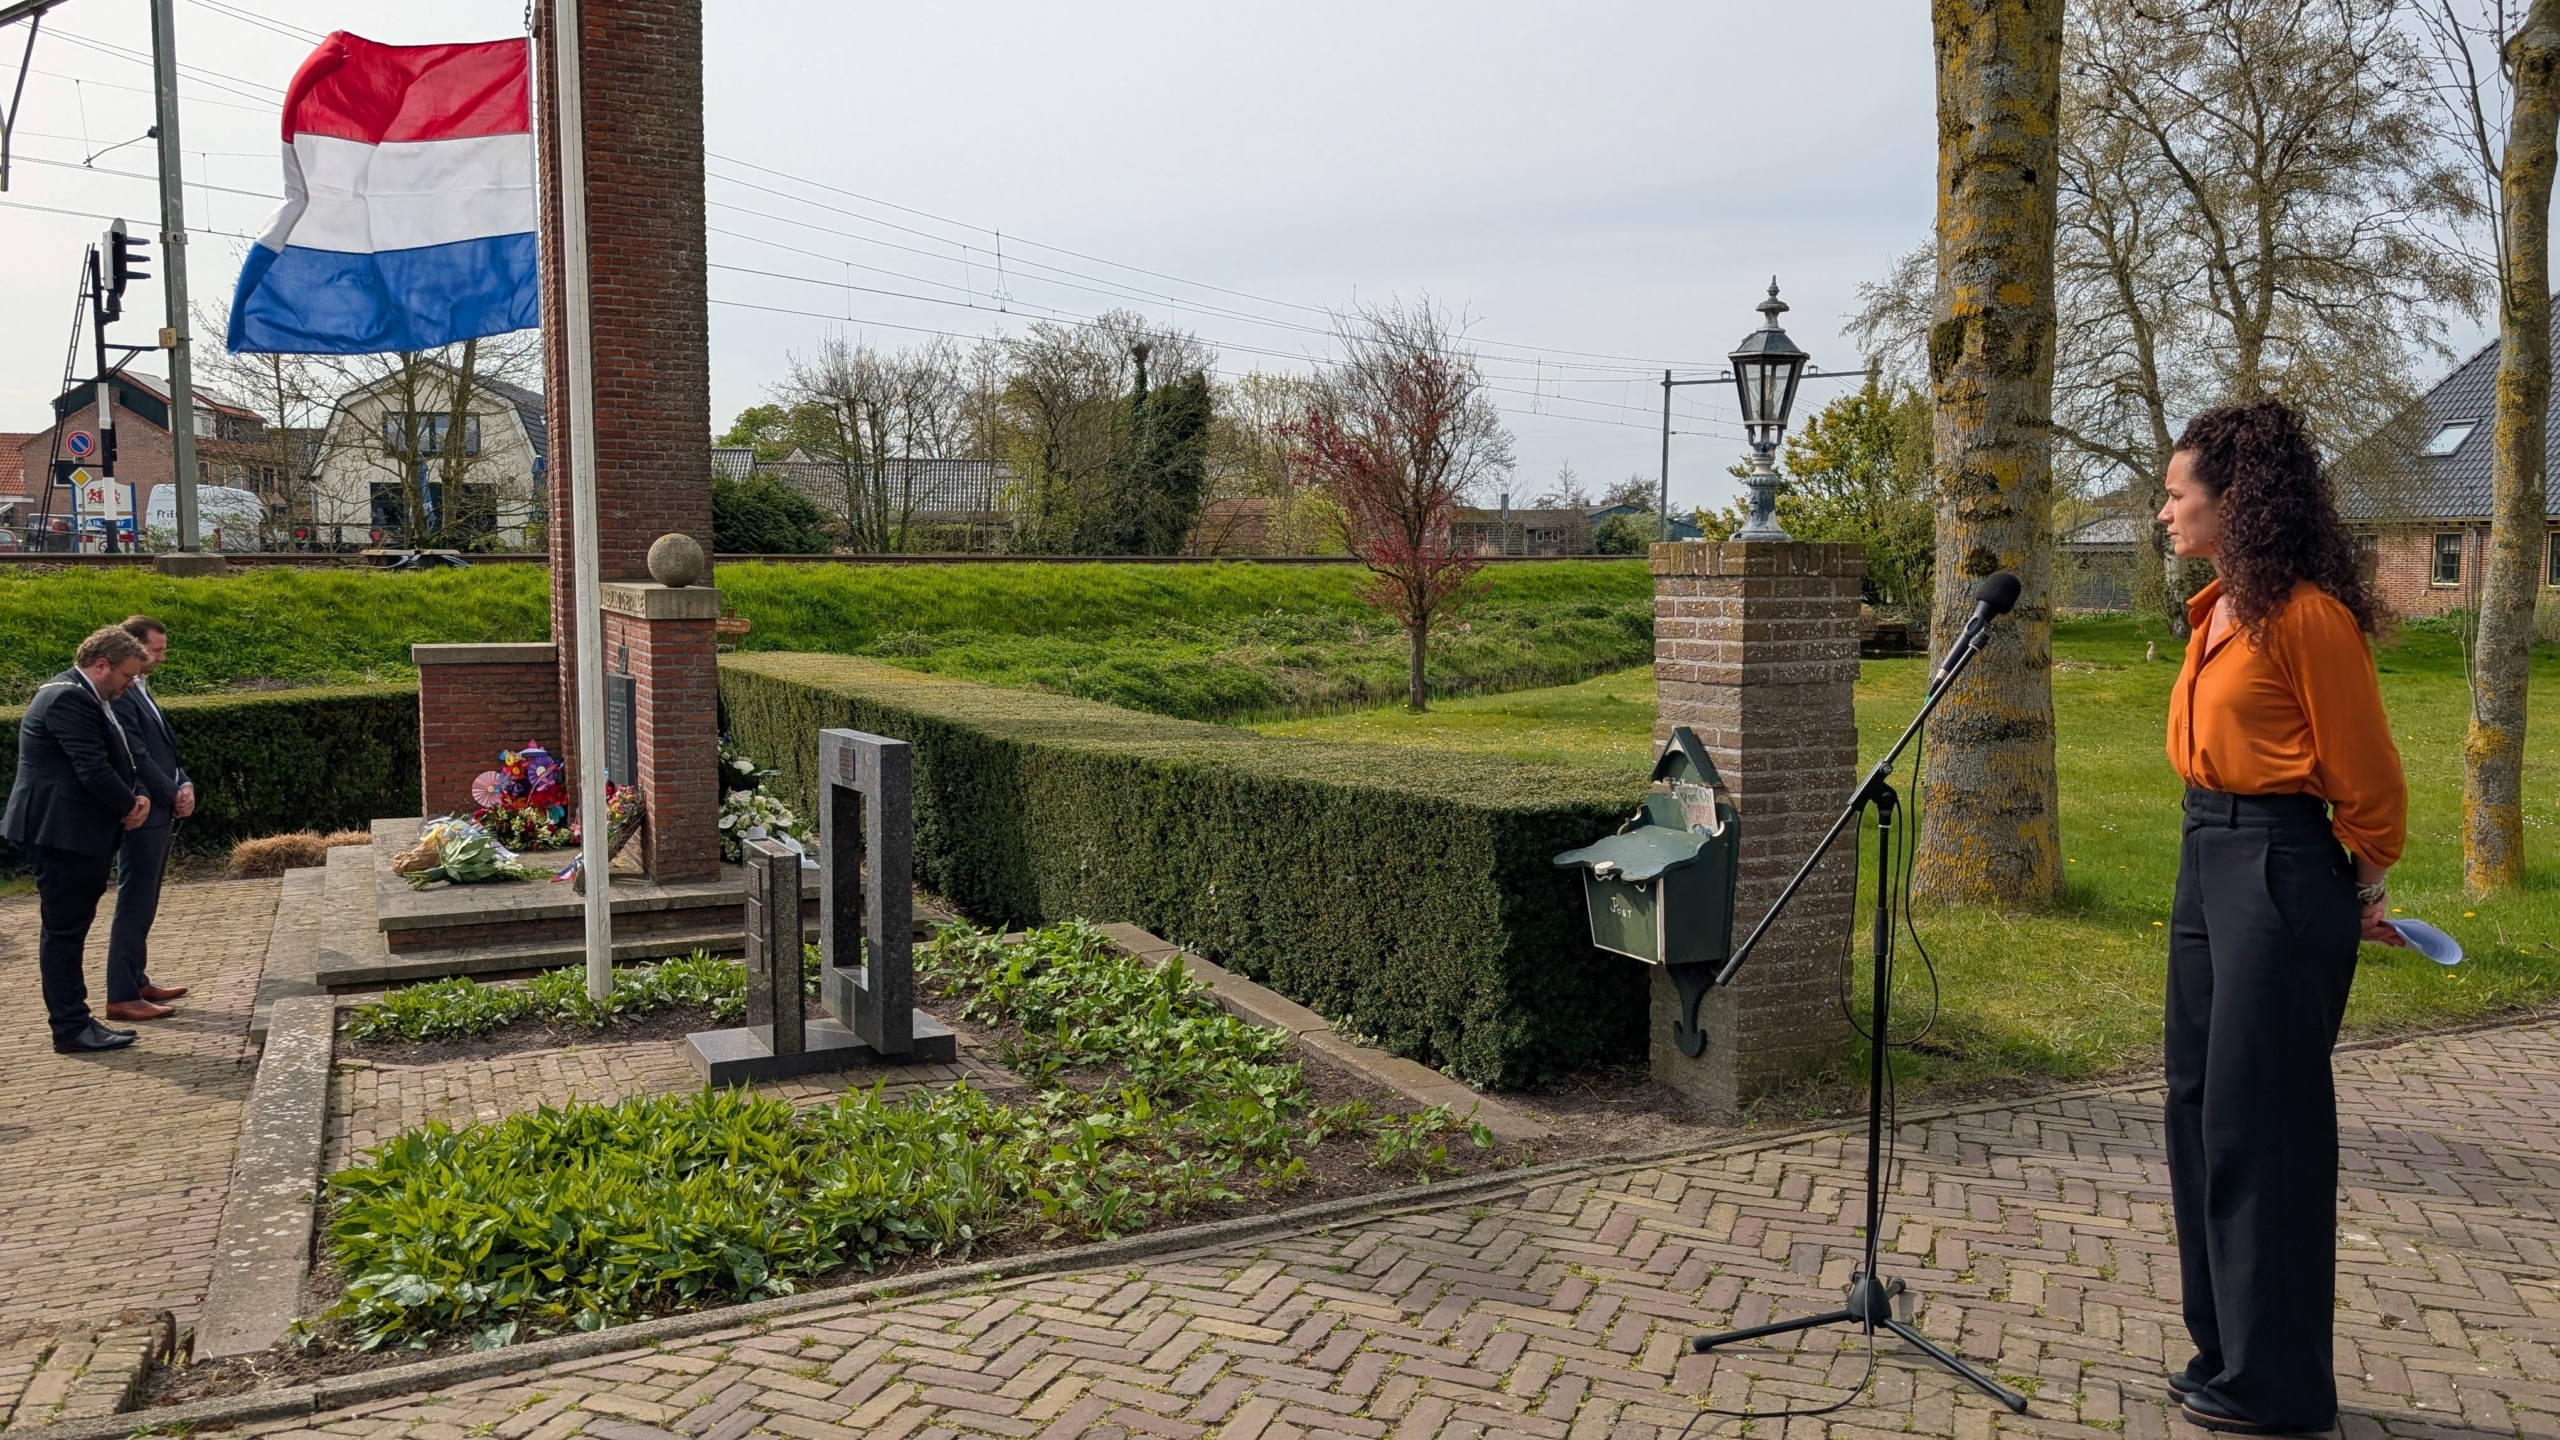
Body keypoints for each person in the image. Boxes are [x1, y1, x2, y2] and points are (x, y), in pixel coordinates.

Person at [2156, 398, 2408, 1436]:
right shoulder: (2216, 607)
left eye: (2177, 496)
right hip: (2202, 853)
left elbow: (2370, 783)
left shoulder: (2307, 617)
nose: (2162, 512)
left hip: (2277, 864)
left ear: (2234, 501)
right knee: (2195, 1107)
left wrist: (2358, 881)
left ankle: (2282, 1389)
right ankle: (2223, 1352)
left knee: (2265, 1126)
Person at [3, 626, 154, 1054]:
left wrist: (136, 792)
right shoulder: (69, 696)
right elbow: (91, 767)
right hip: (61, 834)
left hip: (74, 832)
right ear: (101, 664)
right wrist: (130, 804)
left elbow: (114, 758)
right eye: (126, 677)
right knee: (64, 934)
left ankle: (77, 1020)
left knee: (70, 930)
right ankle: (70, 1027)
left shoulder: (82, 692)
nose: (129, 686)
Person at [105, 615, 194, 1022]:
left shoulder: (139, 686)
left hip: (161, 805)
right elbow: (136, 755)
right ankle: (122, 993)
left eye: (163, 649)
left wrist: (184, 781)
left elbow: (164, 751)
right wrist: (170, 791)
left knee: (147, 899)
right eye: (155, 650)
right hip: (144, 811)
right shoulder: (122, 693)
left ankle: (136, 979)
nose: (161, 656)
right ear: (134, 647)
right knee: (135, 900)